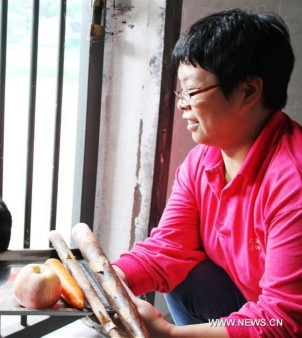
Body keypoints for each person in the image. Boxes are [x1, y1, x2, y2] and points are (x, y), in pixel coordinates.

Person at [112, 8, 301, 337]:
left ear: (249, 91)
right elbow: (167, 250)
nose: (182, 104)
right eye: (180, 92)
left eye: (193, 92)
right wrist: (103, 279)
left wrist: (170, 335)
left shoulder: (292, 183)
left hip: (282, 323)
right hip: (252, 304)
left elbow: (282, 320)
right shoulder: (203, 161)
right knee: (187, 274)